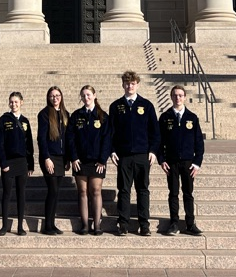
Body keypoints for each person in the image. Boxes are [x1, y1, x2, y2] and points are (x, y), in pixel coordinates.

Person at [109, 70, 159, 236]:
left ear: (137, 84)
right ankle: (123, 223)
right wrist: (112, 150)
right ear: (123, 85)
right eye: (127, 83)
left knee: (142, 189)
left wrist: (153, 150)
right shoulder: (116, 106)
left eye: (132, 83)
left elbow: (154, 131)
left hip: (142, 155)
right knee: (124, 190)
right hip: (123, 155)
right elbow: (111, 132)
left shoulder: (146, 105)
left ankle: (144, 224)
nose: (130, 86)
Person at [159, 85, 204, 236]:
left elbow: (199, 143)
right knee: (173, 193)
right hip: (171, 162)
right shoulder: (165, 117)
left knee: (188, 193)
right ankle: (174, 223)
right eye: (175, 95)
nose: (177, 98)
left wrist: (197, 163)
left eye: (180, 95)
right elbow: (159, 142)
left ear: (184, 97)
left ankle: (190, 224)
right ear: (171, 97)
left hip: (188, 163)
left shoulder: (192, 118)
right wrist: (161, 160)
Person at [67, 85, 112, 235]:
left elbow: (107, 139)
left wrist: (102, 159)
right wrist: (73, 157)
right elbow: (70, 138)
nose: (86, 98)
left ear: (94, 95)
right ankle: (85, 224)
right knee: (83, 192)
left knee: (96, 191)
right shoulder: (76, 115)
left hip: (97, 162)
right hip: (80, 161)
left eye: (88, 95)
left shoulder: (103, 116)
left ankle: (97, 224)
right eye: (83, 95)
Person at [0, 91, 34, 236]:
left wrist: (31, 164)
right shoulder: (3, 120)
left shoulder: (25, 121)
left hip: (22, 162)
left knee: (21, 195)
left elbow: (29, 144)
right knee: (7, 194)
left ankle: (20, 226)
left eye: (16, 102)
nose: (14, 104)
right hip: (8, 163)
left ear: (21, 102)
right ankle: (4, 225)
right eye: (11, 102)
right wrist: (3, 162)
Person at [37, 86, 70, 236]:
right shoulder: (44, 114)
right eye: (52, 96)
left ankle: (52, 224)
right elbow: (41, 139)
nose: (55, 98)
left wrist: (68, 158)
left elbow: (68, 139)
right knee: (53, 190)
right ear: (48, 98)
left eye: (57, 95)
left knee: (56, 193)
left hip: (61, 158)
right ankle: (47, 225)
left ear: (61, 97)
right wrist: (46, 158)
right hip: (50, 158)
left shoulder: (65, 114)